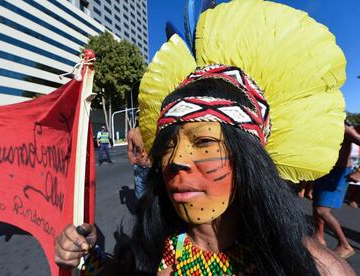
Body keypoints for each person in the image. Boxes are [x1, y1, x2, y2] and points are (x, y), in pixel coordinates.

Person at [54, 0, 355, 274]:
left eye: (204, 142)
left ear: (249, 159)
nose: (176, 161)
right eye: (168, 145)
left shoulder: (318, 269)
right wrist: (86, 256)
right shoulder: (152, 251)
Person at [313, 122, 360, 259]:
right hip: (326, 169)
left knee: (322, 210)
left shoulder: (345, 128)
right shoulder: (330, 125)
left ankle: (344, 245)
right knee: (316, 204)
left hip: (337, 173)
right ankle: (319, 237)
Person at [127, 117, 151, 199]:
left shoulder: (153, 130)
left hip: (152, 168)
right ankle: (142, 211)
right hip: (139, 168)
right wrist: (130, 157)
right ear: (137, 118)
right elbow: (130, 151)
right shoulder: (132, 133)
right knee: (140, 195)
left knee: (153, 194)